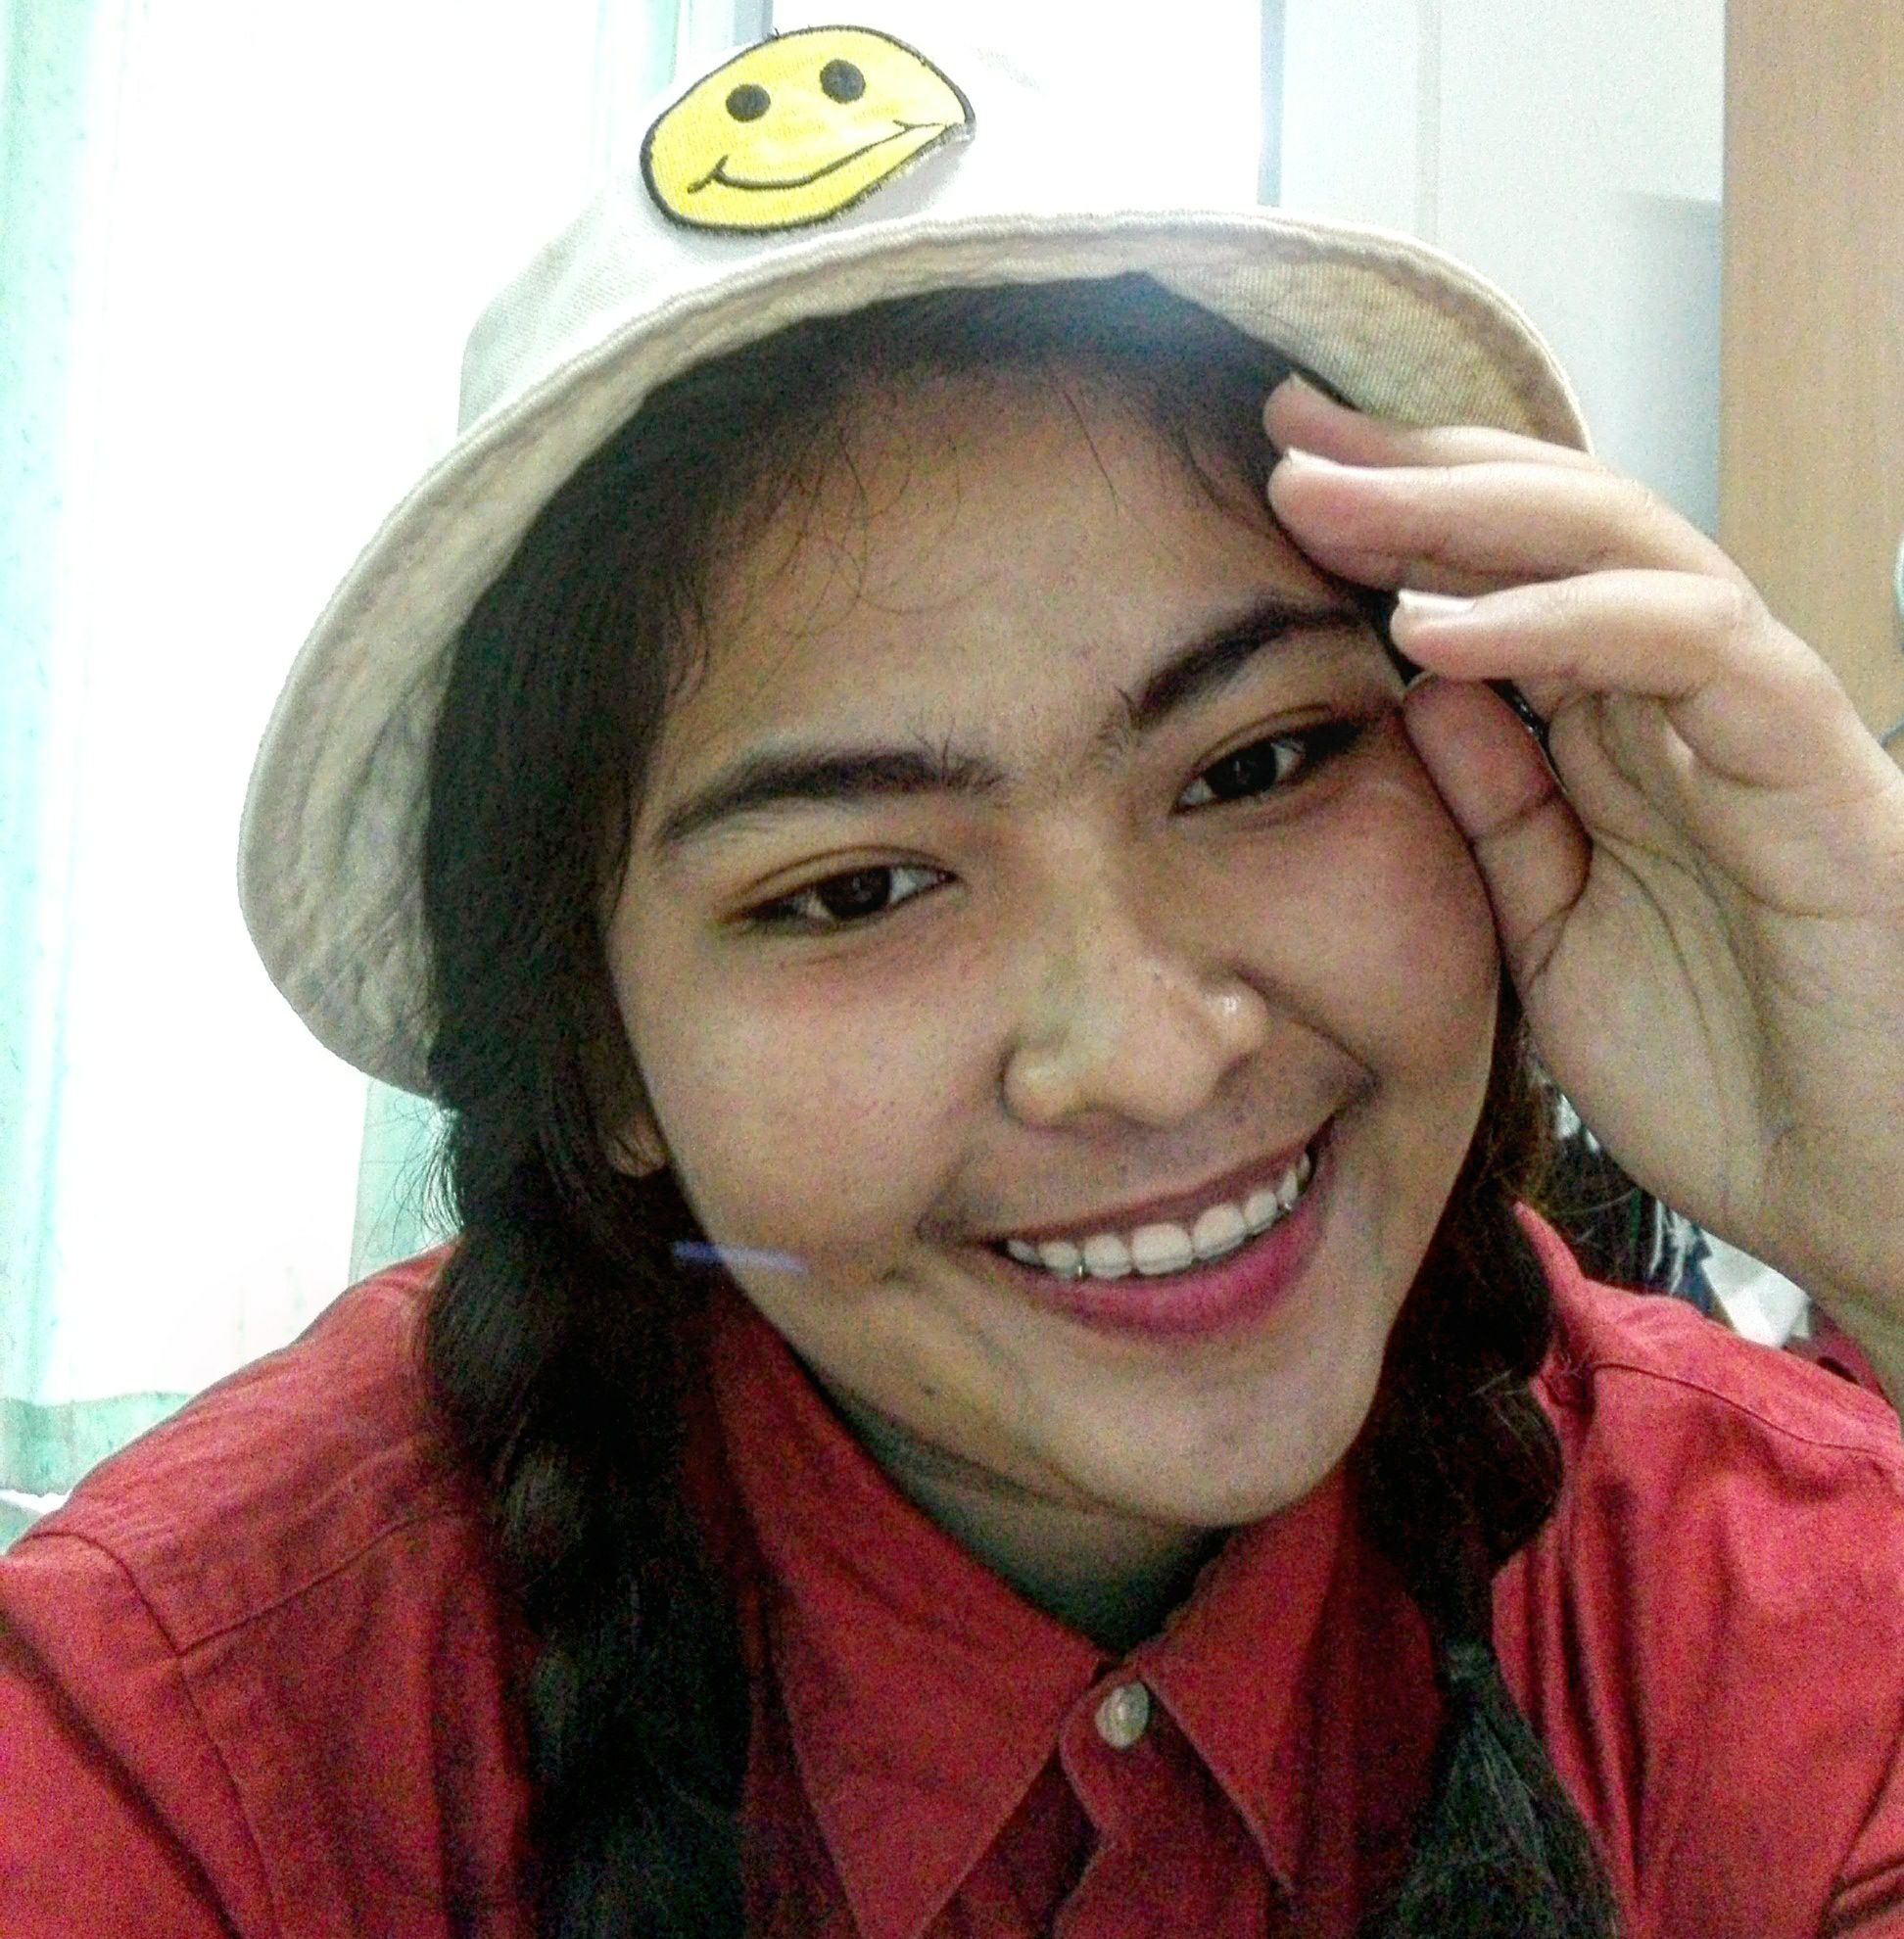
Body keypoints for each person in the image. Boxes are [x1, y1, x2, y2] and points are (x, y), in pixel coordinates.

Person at [6, 26, 1904, 1939]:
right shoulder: (179, 1751)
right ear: (603, 1063)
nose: (1148, 1056)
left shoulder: (1769, 1603)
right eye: (857, 891)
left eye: (1260, 763)